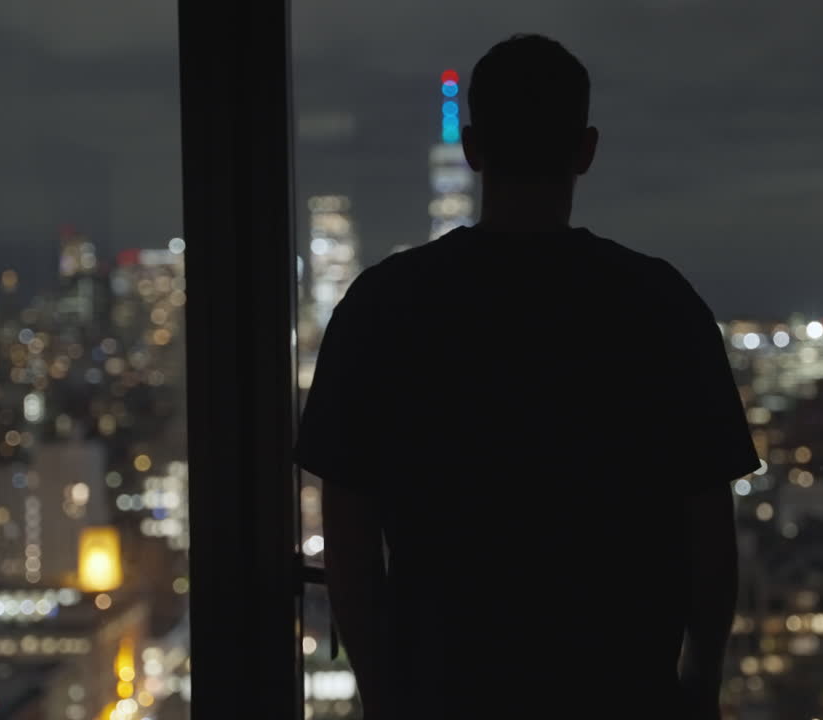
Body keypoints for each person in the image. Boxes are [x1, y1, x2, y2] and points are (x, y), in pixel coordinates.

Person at [295, 33, 759, 719]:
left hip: (446, 690)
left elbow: (352, 541)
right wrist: (703, 680)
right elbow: (708, 532)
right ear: (586, 150)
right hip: (620, 687)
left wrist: (383, 695)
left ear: (473, 150)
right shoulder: (659, 304)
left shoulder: (382, 305)